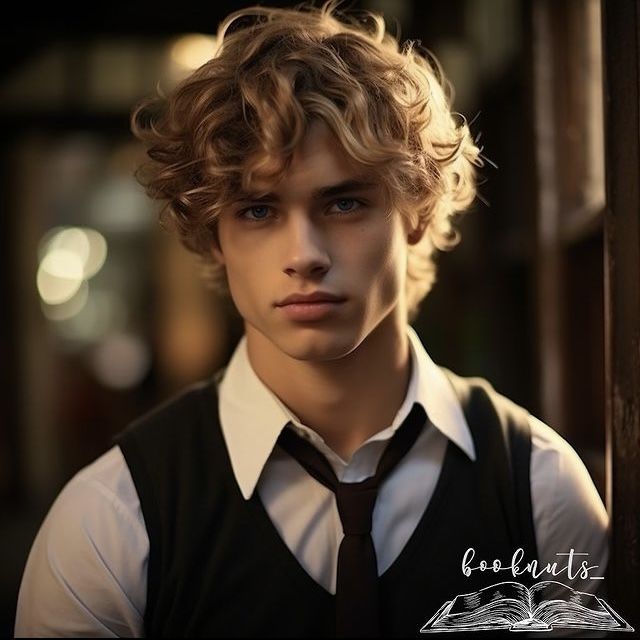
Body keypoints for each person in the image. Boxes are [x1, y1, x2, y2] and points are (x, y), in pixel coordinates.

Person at [15, 2, 609, 637]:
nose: (304, 256)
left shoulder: (539, 487)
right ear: (212, 237)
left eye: (345, 201)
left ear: (414, 211)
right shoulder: (112, 518)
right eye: (257, 210)